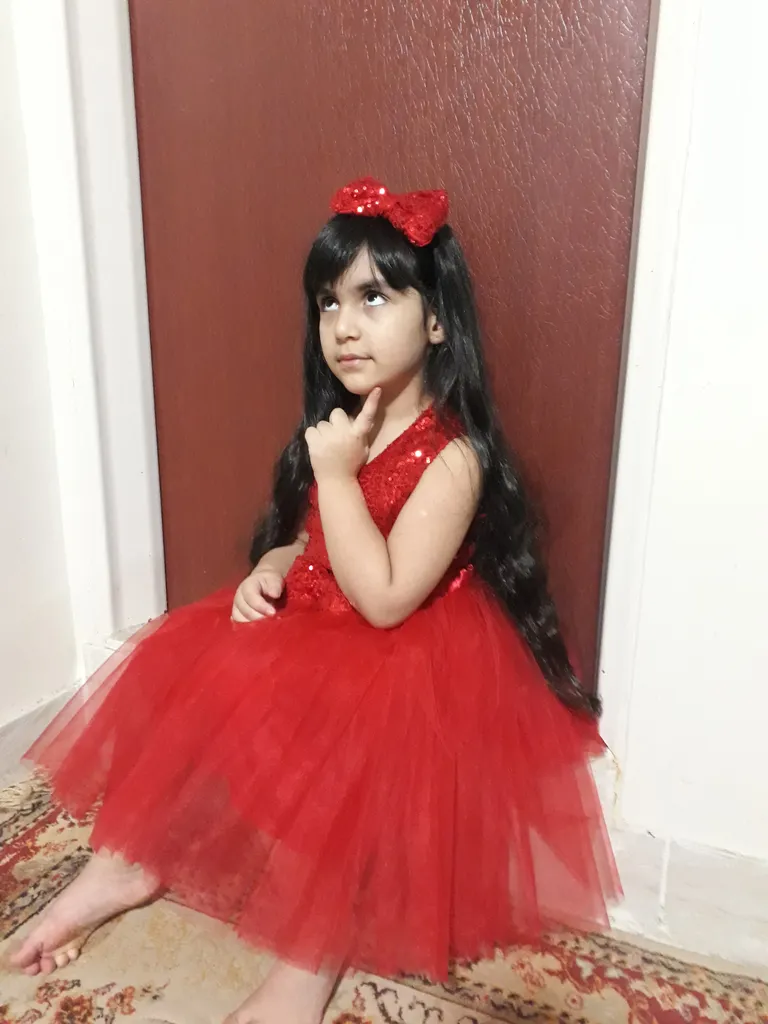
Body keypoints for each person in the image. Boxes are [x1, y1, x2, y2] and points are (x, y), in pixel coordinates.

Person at [12, 178, 620, 1024]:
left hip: (402, 652)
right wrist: (270, 566)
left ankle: (309, 955)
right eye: (328, 302)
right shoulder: (344, 425)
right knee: (195, 672)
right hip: (322, 617)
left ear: (436, 321)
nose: (343, 325)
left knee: (337, 755)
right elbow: (312, 542)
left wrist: (337, 474)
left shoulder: (455, 456)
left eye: (374, 297)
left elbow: (386, 598)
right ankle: (127, 861)